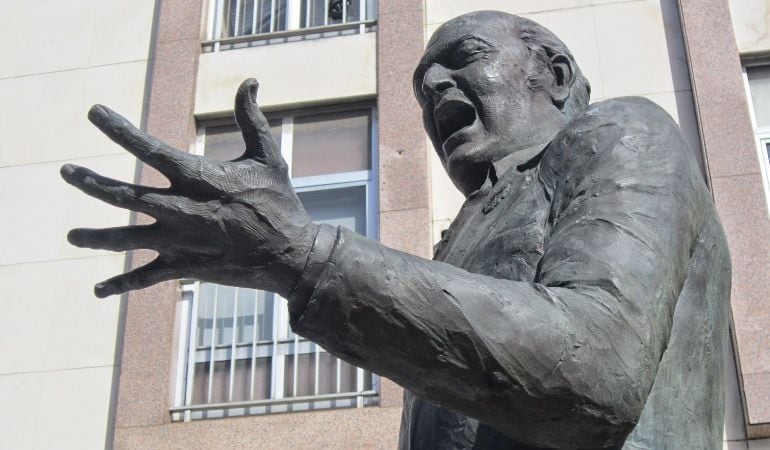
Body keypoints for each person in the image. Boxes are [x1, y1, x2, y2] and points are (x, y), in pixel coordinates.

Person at [61, 11, 731, 449]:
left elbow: (596, 367)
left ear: (553, 74)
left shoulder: (619, 132)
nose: (435, 85)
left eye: (462, 58)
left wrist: (303, 256)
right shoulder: (469, 230)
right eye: (419, 84)